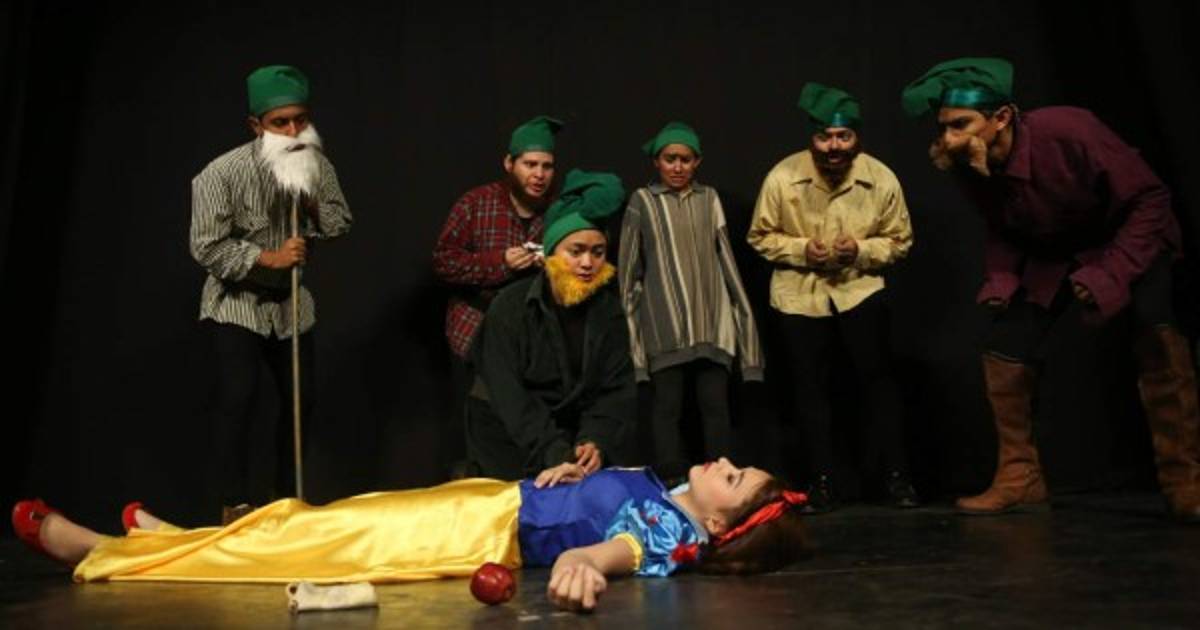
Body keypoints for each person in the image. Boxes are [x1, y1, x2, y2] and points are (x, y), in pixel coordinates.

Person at [901, 57, 1200, 522]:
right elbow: (1001, 226)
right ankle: (1021, 478)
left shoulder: (1070, 130)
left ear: (1002, 117)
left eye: (960, 125)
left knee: (1155, 331)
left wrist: (1111, 273)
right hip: (1056, 252)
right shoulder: (970, 160)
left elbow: (1150, 200)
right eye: (943, 127)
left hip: (1128, 239)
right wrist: (1001, 278)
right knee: (1005, 347)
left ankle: (1186, 482)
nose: (949, 139)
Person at [11, 457, 808, 612]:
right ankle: (176, 537)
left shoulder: (668, 530)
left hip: (468, 532)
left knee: (313, 536)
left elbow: (616, 549)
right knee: (311, 523)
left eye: (734, 478)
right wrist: (576, 471)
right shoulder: (664, 494)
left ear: (718, 522)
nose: (725, 461)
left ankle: (102, 552)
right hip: (482, 501)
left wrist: (584, 563)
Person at [189, 65, 351, 524]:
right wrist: (269, 257)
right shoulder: (220, 174)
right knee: (238, 398)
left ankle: (286, 498)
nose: (293, 131)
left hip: (290, 305)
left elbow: (340, 221)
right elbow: (206, 246)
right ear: (256, 126)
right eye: (281, 122)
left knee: (301, 400)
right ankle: (234, 503)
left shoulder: (315, 163)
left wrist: (312, 199)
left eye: (300, 119)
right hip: (236, 302)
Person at [747, 83, 919, 512]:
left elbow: (900, 240)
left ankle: (896, 478)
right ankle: (822, 482)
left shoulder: (880, 178)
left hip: (859, 291)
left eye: (843, 136)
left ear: (856, 137)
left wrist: (860, 250)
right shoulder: (782, 176)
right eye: (825, 137)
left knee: (878, 386)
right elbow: (760, 235)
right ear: (813, 137)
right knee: (810, 391)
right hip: (798, 298)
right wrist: (802, 250)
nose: (834, 146)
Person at [466, 169, 637, 480]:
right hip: (504, 438)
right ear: (549, 254)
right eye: (576, 251)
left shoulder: (608, 312)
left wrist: (594, 440)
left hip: (564, 437)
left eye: (597, 252)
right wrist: (555, 454)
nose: (587, 263)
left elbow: (615, 389)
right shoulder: (510, 308)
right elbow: (510, 397)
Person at [618, 121, 764, 480]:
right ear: (657, 162)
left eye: (685, 159)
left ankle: (722, 480)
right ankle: (671, 483)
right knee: (667, 408)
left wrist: (748, 347)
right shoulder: (643, 202)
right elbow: (628, 273)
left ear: (697, 162)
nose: (677, 167)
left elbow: (726, 260)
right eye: (670, 159)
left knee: (715, 406)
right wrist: (636, 351)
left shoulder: (708, 198)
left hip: (711, 325)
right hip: (665, 327)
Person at [432, 116, 563, 475]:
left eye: (547, 166)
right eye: (530, 165)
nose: (539, 174)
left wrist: (552, 266)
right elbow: (443, 262)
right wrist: (500, 262)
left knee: (524, 435)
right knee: (476, 437)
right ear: (510, 163)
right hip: (474, 334)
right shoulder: (476, 204)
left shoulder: (558, 213)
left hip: (532, 347)